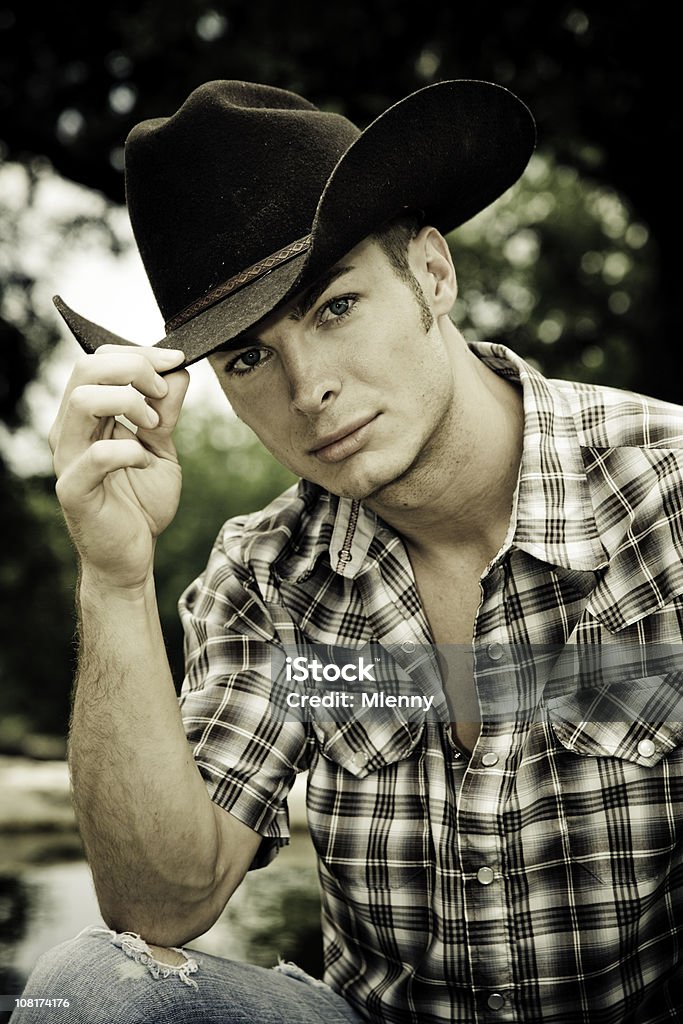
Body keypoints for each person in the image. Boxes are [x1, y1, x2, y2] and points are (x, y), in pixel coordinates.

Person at [11, 79, 682, 1024]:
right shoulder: (267, 577)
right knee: (87, 991)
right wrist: (114, 576)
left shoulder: (666, 495)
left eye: (335, 306)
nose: (309, 387)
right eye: (247, 357)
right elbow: (160, 905)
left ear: (432, 275)